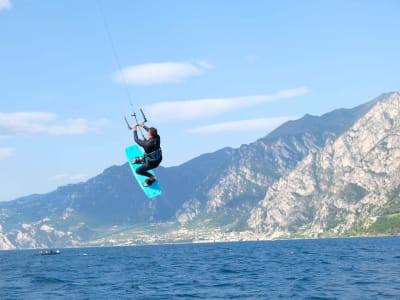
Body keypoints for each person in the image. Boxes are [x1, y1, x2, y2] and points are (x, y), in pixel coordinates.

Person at [131, 121, 162, 186]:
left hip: (152, 164)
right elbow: (150, 131)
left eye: (148, 132)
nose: (147, 133)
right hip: (158, 159)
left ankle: (151, 177)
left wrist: (134, 130)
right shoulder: (157, 137)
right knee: (148, 153)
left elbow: (136, 140)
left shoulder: (146, 144)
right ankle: (143, 159)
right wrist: (143, 126)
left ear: (150, 134)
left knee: (138, 171)